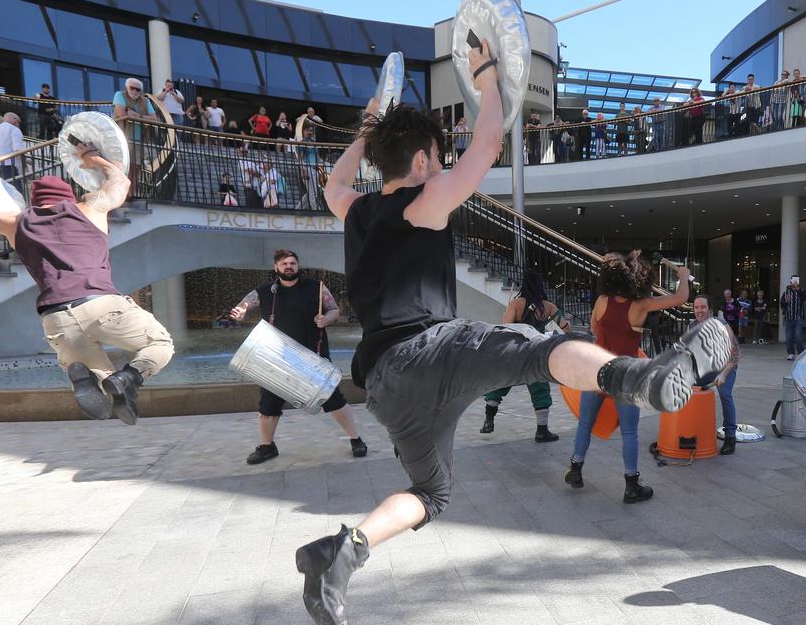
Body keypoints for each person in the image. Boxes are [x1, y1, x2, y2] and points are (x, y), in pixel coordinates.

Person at [297, 41, 732, 625]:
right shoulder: (423, 201)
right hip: (426, 350)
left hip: (381, 385)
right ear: (424, 159)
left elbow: (334, 182)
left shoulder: (355, 209)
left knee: (432, 495)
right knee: (538, 348)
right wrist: (486, 76)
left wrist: (368, 126)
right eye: (436, 156)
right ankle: (641, 378)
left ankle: (342, 555)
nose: (442, 165)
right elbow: (487, 145)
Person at [0, 157, 172, 425]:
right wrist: (94, 159)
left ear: (33, 202)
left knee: (99, 375)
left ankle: (103, 382)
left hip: (55, 317)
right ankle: (129, 377)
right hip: (100, 303)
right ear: (68, 198)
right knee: (160, 344)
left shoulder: (15, 222)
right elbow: (120, 181)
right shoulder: (90, 208)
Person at [565, 251, 692, 501]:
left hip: (597, 372)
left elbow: (593, 327)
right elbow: (682, 298)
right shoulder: (641, 305)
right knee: (630, 433)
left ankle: (575, 470)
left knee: (585, 425)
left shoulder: (602, 300)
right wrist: (684, 276)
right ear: (640, 280)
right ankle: (631, 486)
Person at [230, 250, 368, 464]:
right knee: (268, 404)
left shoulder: (316, 287)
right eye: (284, 263)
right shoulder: (266, 291)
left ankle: (356, 439)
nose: (289, 267)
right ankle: (267, 446)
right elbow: (245, 306)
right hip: (276, 358)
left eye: (293, 263)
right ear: (276, 267)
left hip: (313, 354)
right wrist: (240, 312)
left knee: (334, 399)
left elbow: (333, 311)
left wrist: (326, 319)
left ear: (298, 266)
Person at [480, 271, 571, 443]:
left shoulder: (515, 304)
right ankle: (542, 431)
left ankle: (488, 421)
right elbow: (567, 328)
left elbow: (505, 328)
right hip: (536, 353)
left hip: (516, 353)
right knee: (540, 388)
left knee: (500, 383)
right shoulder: (548, 307)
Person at [694, 294, 741, 454]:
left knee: (725, 394)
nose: (699, 311)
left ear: (710, 310)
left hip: (726, 366)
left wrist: (723, 374)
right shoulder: (693, 326)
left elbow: (735, 354)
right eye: (696, 307)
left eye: (703, 307)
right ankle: (693, 429)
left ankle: (730, 437)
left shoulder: (721, 325)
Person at [782, 276, 806, 360]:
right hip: (789, 318)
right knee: (788, 337)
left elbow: (804, 298)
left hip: (798, 317)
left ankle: (800, 353)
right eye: (793, 281)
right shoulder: (786, 292)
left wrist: (798, 289)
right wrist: (786, 301)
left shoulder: (801, 291)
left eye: (797, 280)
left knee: (798, 336)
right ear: (790, 281)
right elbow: (782, 305)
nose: (795, 282)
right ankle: (791, 353)